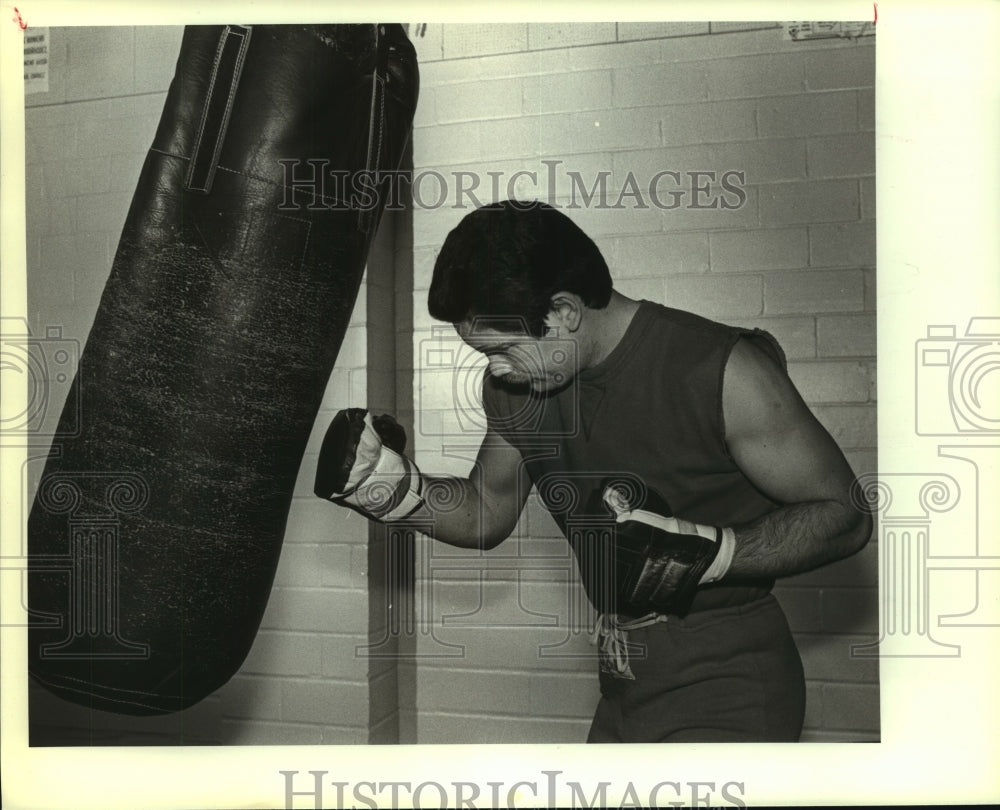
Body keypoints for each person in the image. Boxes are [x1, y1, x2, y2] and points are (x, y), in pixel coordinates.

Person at [314, 199, 873, 743]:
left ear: (564, 311)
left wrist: (708, 553)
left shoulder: (722, 369)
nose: (495, 369)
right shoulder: (517, 389)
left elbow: (846, 515)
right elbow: (486, 510)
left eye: (504, 348)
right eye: (484, 354)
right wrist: (390, 488)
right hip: (623, 683)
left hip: (730, 680)